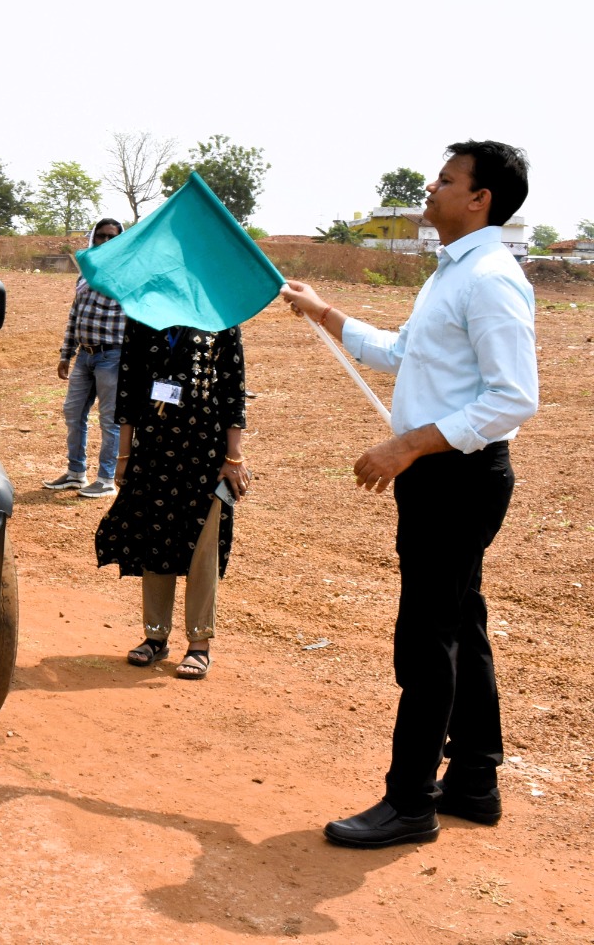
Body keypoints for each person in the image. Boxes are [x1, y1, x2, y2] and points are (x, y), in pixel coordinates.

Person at [281, 141, 537, 849]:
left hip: (457, 480)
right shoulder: (454, 273)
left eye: (447, 180)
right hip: (443, 478)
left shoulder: (489, 278)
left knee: (427, 639)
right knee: (463, 623)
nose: (430, 187)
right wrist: (324, 312)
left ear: (480, 198)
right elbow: (403, 355)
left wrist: (409, 445)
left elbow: (513, 397)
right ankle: (474, 782)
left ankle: (409, 802)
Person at [95, 318, 249, 681]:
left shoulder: (222, 315)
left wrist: (234, 456)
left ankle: (199, 643)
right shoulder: (142, 316)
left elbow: (233, 389)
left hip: (206, 453)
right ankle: (155, 636)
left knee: (203, 545)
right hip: (154, 449)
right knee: (156, 540)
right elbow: (129, 390)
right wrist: (124, 455)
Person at [46, 218, 126, 499]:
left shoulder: (127, 275)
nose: (105, 242)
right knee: (73, 412)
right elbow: (74, 316)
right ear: (93, 239)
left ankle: (105, 479)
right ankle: (75, 473)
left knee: (110, 420)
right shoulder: (85, 275)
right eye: (101, 236)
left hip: (113, 357)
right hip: (85, 355)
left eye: (112, 237)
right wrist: (66, 354)